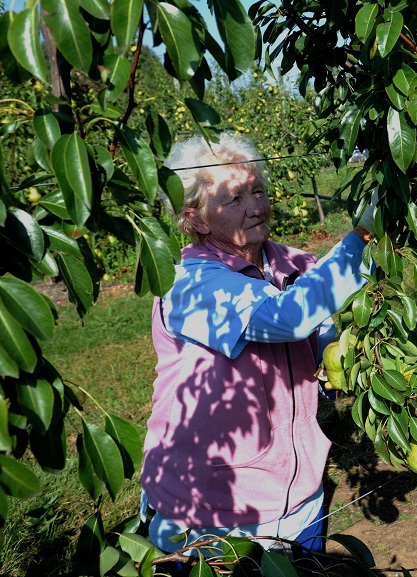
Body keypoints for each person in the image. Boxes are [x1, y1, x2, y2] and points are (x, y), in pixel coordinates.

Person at [139, 134, 375, 563]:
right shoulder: (190, 285)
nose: (255, 206)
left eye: (258, 191)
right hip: (217, 508)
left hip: (299, 492)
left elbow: (318, 319)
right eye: (234, 199)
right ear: (196, 219)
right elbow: (289, 317)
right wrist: (362, 236)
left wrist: (330, 349)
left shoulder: (288, 262)